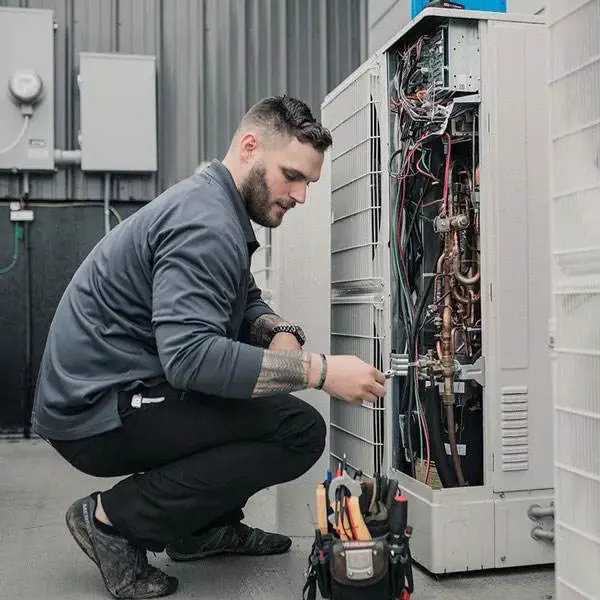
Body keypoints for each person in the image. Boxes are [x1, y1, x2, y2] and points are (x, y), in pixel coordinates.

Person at [32, 95, 386, 599]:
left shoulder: (213, 204)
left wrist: (278, 330)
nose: (301, 195)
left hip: (111, 391)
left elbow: (243, 299)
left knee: (262, 400)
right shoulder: (207, 224)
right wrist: (322, 371)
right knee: (297, 430)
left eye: (309, 181)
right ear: (249, 147)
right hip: (97, 410)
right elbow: (191, 359)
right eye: (293, 175)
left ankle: (202, 530)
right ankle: (111, 520)